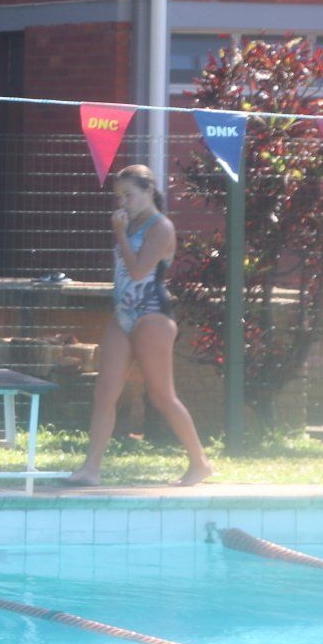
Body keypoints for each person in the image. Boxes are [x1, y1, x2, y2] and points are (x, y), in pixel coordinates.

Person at [64, 164, 213, 488]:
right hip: (123, 314)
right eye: (119, 197)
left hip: (153, 316)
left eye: (129, 195)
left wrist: (118, 233)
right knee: (105, 392)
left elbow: (138, 271)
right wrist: (122, 230)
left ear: (148, 191)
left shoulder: (162, 227)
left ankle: (200, 462)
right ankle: (91, 467)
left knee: (162, 396)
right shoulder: (129, 222)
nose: (123, 203)